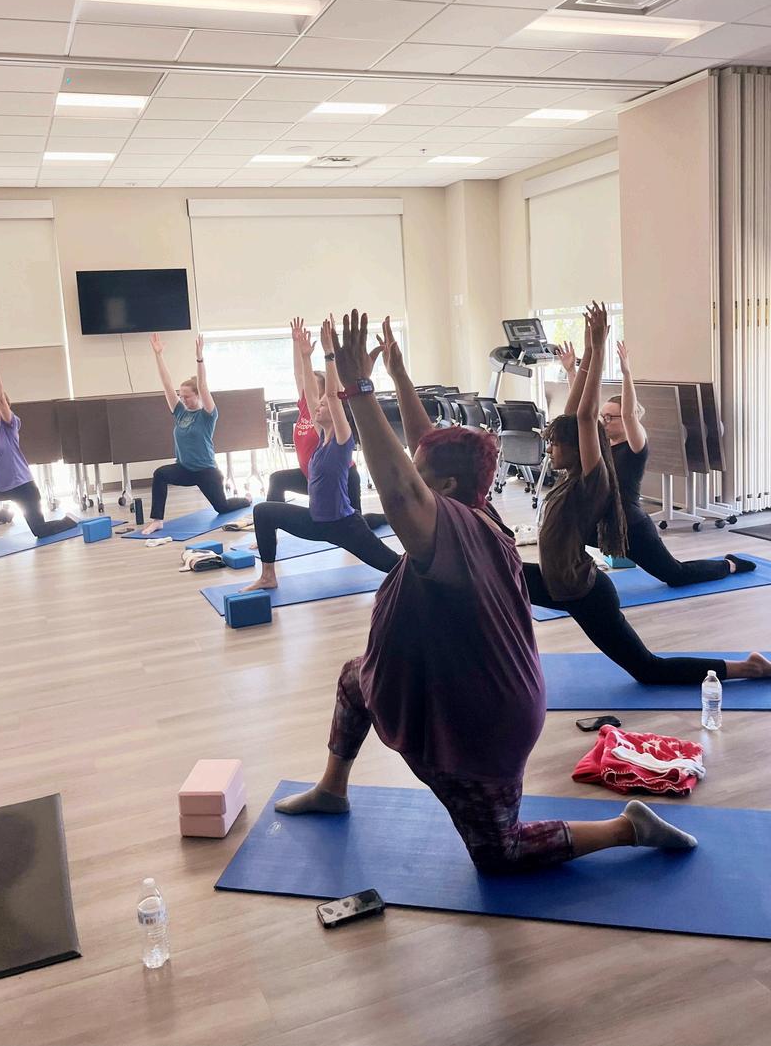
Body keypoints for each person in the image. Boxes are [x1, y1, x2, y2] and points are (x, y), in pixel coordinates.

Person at [274, 309, 700, 871]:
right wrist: (398, 375)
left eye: (423, 475)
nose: (415, 474)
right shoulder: (472, 505)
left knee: (500, 852)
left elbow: (402, 492)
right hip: (450, 686)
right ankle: (333, 789)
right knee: (357, 679)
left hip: (484, 721)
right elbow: (426, 448)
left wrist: (359, 391)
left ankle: (628, 828)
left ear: (445, 487)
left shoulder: (450, 533)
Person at [530, 304, 770, 685]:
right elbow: (574, 416)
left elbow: (585, 416)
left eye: (555, 444)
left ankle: (748, 667)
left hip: (583, 593)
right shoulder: (570, 472)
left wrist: (600, 348)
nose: (549, 448)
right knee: (495, 575)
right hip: (554, 581)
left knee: (648, 669)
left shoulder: (590, 481)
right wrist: (586, 356)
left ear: (577, 448)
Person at [242, 320, 400, 591]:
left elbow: (331, 395)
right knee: (263, 512)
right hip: (316, 522)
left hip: (344, 526)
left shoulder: (341, 439)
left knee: (395, 566)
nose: (318, 407)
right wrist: (305, 357)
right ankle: (268, 576)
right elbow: (311, 394)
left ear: (337, 411)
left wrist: (329, 354)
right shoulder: (321, 436)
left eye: (324, 406)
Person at [600, 341, 750, 585]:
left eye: (610, 417)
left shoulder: (636, 446)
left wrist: (626, 373)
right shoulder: (602, 444)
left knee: (675, 575)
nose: (604, 421)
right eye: (602, 416)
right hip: (607, 522)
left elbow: (628, 414)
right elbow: (581, 419)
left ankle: (729, 565)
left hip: (632, 525)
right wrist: (574, 371)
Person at [267, 318, 386, 530]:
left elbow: (333, 391)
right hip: (313, 476)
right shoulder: (308, 407)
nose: (306, 386)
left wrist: (332, 351)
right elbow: (300, 376)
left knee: (357, 525)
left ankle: (386, 518)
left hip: (342, 477)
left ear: (322, 390)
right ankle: (271, 527)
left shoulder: (329, 414)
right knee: (278, 480)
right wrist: (300, 348)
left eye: (313, 384)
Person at [0, 348, 77, 552]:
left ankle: (70, 520)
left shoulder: (9, 425)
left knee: (40, 530)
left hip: (22, 487)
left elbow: (1, 398)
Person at [140, 334, 249, 537]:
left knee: (222, 507)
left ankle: (246, 500)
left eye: (187, 396)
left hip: (206, 471)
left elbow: (203, 385)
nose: (183, 399)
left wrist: (200, 358)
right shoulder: (180, 412)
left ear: (197, 395)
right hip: (184, 469)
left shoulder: (207, 415)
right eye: (181, 396)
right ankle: (157, 521)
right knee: (160, 474)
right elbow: (166, 384)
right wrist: (158, 355)